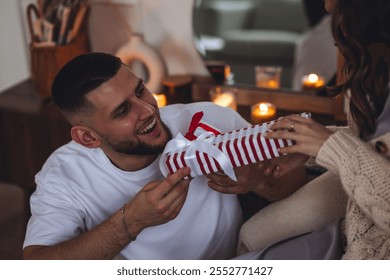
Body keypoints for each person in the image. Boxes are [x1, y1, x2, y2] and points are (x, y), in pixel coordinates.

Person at [22, 52, 306, 260]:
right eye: (123, 111)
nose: (147, 110)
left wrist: (256, 181)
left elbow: (297, 186)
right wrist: (132, 220)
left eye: (140, 90)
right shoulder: (65, 174)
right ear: (88, 137)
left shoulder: (209, 118)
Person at [235, 0, 390, 259]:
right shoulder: (373, 65)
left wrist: (329, 147)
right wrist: (310, 144)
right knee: (251, 241)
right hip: (353, 226)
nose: (327, 7)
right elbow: (379, 143)